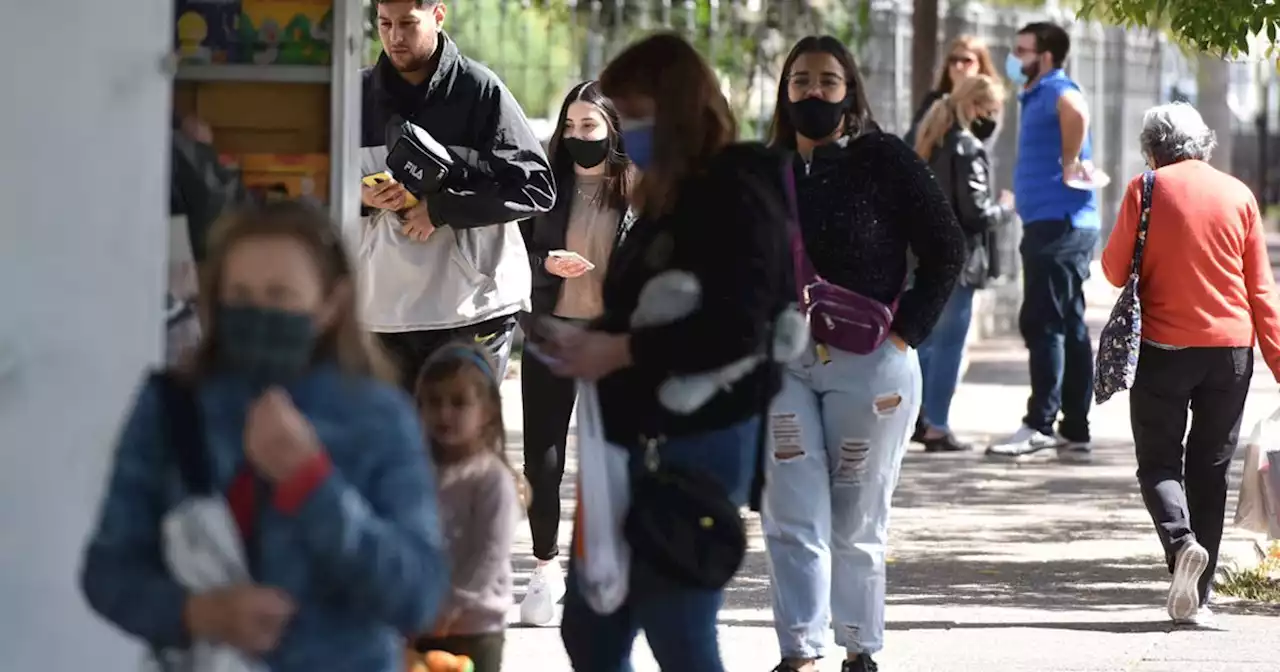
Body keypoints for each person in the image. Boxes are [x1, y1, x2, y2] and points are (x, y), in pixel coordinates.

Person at [79, 202, 449, 672]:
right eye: (239, 295)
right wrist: (197, 613)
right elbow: (108, 571)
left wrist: (312, 484)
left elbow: (417, 595)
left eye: (280, 296)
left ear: (330, 304)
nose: (258, 313)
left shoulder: (377, 419)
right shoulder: (173, 407)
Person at [539, 33, 791, 672]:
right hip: (624, 441)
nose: (626, 130)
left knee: (676, 623)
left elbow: (741, 322)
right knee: (592, 627)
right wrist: (585, 341)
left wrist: (622, 349)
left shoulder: (735, 186)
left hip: (696, 437)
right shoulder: (662, 193)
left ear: (675, 107)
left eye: (636, 111)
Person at [762, 35, 965, 672]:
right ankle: (799, 649)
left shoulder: (884, 158)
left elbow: (946, 249)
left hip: (871, 368)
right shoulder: (765, 169)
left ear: (849, 89)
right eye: (800, 81)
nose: (813, 92)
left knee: (855, 517)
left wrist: (905, 334)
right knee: (791, 515)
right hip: (783, 367)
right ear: (784, 91)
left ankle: (859, 648)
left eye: (827, 80)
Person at [1100, 103, 1280, 626]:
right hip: (1231, 352)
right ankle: (1197, 596)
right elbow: (1261, 291)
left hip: (1163, 351)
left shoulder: (1146, 188)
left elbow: (1113, 270)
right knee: (1211, 469)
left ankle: (1181, 547)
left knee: (1159, 462)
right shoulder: (1239, 195)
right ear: (1203, 144)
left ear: (1151, 149)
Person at [354, 0, 555, 391]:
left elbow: (536, 187)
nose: (395, 36)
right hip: (380, 314)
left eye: (408, 24)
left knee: (462, 447)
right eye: (385, 23)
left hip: (474, 311)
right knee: (397, 450)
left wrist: (442, 209)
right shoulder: (355, 94)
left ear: (439, 15)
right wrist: (360, 196)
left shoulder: (481, 91)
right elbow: (313, 187)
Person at [516, 80, 635, 627]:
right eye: (569, 125)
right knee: (543, 457)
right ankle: (545, 567)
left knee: (611, 459)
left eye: (589, 125)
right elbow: (516, 250)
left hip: (613, 343)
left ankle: (610, 565)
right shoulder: (544, 183)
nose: (577, 135)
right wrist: (547, 262)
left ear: (611, 129)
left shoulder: (635, 187)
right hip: (551, 335)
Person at [987, 21, 1100, 463]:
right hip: (1053, 224)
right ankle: (1074, 427)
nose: (1014, 58)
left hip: (1060, 225)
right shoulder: (1036, 92)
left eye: (1022, 50)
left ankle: (1040, 423)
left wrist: (1071, 160)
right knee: (1067, 325)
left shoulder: (1057, 87)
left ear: (1046, 55)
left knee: (1043, 322)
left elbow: (1076, 109)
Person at [911, 75, 1015, 453]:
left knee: (924, 342)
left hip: (929, 253)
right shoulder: (967, 147)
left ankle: (915, 417)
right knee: (949, 344)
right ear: (975, 107)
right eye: (990, 111)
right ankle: (936, 423)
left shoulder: (933, 138)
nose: (992, 120)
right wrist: (1004, 208)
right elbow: (975, 212)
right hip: (961, 258)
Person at [410, 343, 524, 671]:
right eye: (434, 402)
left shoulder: (492, 479)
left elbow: (489, 554)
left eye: (459, 403)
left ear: (487, 410)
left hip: (476, 628)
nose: (444, 413)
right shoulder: (417, 474)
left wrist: (450, 605)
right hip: (422, 622)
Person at [903, 35, 999, 148]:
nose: (958, 66)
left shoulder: (988, 103)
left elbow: (981, 141)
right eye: (953, 60)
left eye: (967, 60)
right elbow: (911, 140)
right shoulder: (934, 100)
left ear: (980, 65)